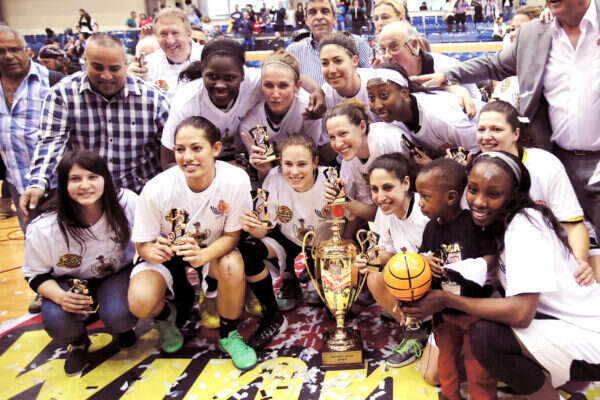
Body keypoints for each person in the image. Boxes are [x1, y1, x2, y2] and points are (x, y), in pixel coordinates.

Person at [403, 151, 600, 400]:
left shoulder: (525, 227)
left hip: (588, 334)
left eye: (493, 194)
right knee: (442, 363)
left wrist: (446, 300)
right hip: (556, 324)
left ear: (514, 195)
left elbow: (520, 314)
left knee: (486, 337)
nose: (479, 202)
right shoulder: (488, 224)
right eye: (473, 190)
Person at [414, 0, 600, 239]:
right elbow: (495, 64)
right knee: (566, 236)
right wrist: (448, 76)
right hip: (560, 156)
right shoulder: (534, 33)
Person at [128, 116, 258, 370]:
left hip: (212, 248)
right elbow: (142, 244)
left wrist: (203, 256)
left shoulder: (235, 179)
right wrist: (152, 252)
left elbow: (232, 236)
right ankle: (165, 316)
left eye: (196, 148)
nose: (187, 157)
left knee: (232, 263)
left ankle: (229, 333)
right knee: (140, 301)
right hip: (169, 253)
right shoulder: (156, 189)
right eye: (180, 149)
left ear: (216, 149)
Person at [20, 33, 170, 217]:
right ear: (85, 61)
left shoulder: (153, 99)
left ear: (126, 64)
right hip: (87, 199)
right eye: (97, 67)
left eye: (114, 68)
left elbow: (169, 148)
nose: (106, 75)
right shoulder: (62, 94)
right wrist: (38, 182)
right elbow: (52, 141)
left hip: (141, 196)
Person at [22, 150, 138, 376]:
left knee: (120, 315)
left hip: (115, 273)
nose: (85, 185)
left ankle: (120, 326)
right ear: (63, 184)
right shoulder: (44, 226)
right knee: (57, 320)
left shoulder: (127, 202)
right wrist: (60, 296)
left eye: (92, 177)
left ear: (105, 178)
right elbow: (35, 275)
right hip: (68, 282)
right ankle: (78, 342)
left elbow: (147, 240)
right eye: (75, 179)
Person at [476, 101, 595, 281]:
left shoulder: (544, 163)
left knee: (589, 278)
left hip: (560, 244)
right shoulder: (474, 170)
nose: (486, 136)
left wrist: (578, 264)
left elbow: (573, 226)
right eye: (481, 129)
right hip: (506, 255)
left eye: (496, 129)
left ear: (516, 133)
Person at [161, 38, 325, 166]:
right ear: (202, 72)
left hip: (241, 159)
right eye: (212, 76)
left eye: (230, 78)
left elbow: (288, 74)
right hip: (201, 163)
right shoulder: (186, 101)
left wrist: (316, 90)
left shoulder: (254, 81)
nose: (220, 85)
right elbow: (168, 161)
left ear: (242, 75)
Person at [415, 159, 498, 400]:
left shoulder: (473, 224)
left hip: (474, 309)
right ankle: (450, 396)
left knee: (478, 364)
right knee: (446, 359)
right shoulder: (430, 228)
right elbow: (422, 256)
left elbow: (491, 256)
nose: (420, 203)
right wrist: (424, 261)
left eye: (426, 196)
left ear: (451, 197)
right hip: (443, 311)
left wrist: (468, 268)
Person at [239, 134, 328, 327]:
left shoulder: (330, 178)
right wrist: (252, 226)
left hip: (325, 242)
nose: (294, 171)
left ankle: (318, 275)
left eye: (302, 164)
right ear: (280, 162)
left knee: (331, 302)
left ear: (315, 162)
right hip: (289, 238)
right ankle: (276, 304)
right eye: (288, 164)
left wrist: (340, 246)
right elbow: (264, 230)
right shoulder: (273, 178)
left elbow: (351, 219)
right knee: (248, 248)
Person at [355, 152, 430, 368]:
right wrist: (368, 259)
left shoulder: (424, 211)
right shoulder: (384, 211)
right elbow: (386, 252)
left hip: (435, 280)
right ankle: (415, 332)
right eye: (374, 189)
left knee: (400, 273)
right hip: (411, 273)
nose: (380, 197)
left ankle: (431, 326)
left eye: (387, 188)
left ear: (406, 183)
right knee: (373, 275)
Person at [366, 65, 479, 166]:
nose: (377, 105)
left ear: (404, 93)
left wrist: (435, 166)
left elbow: (477, 153)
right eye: (371, 98)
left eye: (384, 95)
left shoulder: (441, 115)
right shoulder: (393, 121)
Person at [240, 49, 323, 182]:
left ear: (297, 86)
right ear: (261, 86)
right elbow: (265, 178)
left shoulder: (309, 110)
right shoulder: (250, 123)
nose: (275, 94)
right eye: (269, 85)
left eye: (283, 86)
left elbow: (310, 160)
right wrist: (263, 169)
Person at [325, 99, 407, 227]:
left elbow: (408, 197)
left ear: (362, 127)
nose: (338, 144)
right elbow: (374, 214)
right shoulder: (349, 161)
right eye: (332, 137)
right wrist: (342, 198)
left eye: (343, 134)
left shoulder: (387, 140)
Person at [377, 21, 481, 101]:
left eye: (394, 47)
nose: (387, 56)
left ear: (414, 45)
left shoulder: (449, 67)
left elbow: (476, 106)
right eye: (382, 49)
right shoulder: (384, 76)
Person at [287, 0, 372, 86]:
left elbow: (371, 81)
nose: (319, 17)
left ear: (334, 17)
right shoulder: (293, 52)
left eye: (325, 11)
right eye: (312, 12)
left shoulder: (358, 44)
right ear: (306, 20)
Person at [128, 8, 204, 100]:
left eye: (175, 33)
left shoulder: (207, 58)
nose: (170, 41)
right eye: (163, 34)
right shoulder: (148, 64)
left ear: (188, 34)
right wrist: (129, 78)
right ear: (156, 37)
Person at [319, 32, 379, 122]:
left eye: (338, 61)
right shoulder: (324, 97)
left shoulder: (377, 82)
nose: (332, 70)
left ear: (354, 61)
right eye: (325, 63)